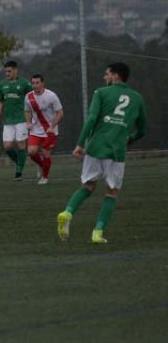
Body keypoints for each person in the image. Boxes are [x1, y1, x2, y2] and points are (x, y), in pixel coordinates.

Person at [57, 62, 146, 244]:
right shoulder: (137, 98)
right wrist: (130, 138)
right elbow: (143, 129)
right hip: (117, 151)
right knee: (111, 192)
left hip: (96, 147)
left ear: (115, 76)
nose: (104, 78)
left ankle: (67, 212)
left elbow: (90, 119)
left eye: (107, 74)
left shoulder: (101, 93)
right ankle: (97, 232)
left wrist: (80, 144)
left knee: (88, 186)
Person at [0, 60, 33, 181]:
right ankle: (21, 162)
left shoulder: (25, 83)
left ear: (16, 70)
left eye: (9, 71)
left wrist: (31, 117)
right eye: (6, 71)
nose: (7, 73)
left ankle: (19, 172)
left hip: (21, 119)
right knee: (7, 146)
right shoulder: (2, 85)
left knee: (21, 144)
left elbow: (32, 99)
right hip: (8, 120)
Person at [24, 74, 63, 185]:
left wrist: (52, 126)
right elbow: (26, 111)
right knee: (31, 152)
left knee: (46, 153)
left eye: (37, 83)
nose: (35, 85)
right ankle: (42, 165)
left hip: (50, 130)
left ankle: (44, 177)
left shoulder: (51, 96)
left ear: (42, 83)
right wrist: (28, 123)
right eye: (33, 83)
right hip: (35, 129)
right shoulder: (28, 97)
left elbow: (60, 113)